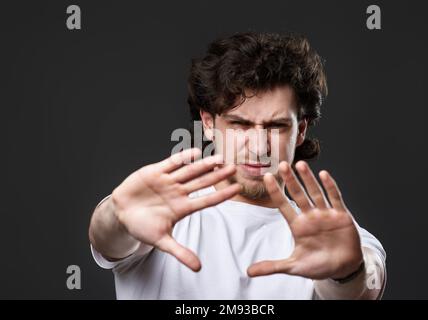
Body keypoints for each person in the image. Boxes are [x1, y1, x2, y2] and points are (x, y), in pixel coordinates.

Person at [88, 32, 386, 299]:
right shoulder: (158, 212)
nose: (258, 147)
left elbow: (362, 287)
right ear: (208, 122)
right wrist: (116, 215)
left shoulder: (333, 236)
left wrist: (347, 272)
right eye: (239, 124)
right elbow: (108, 238)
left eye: (277, 126)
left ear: (301, 130)